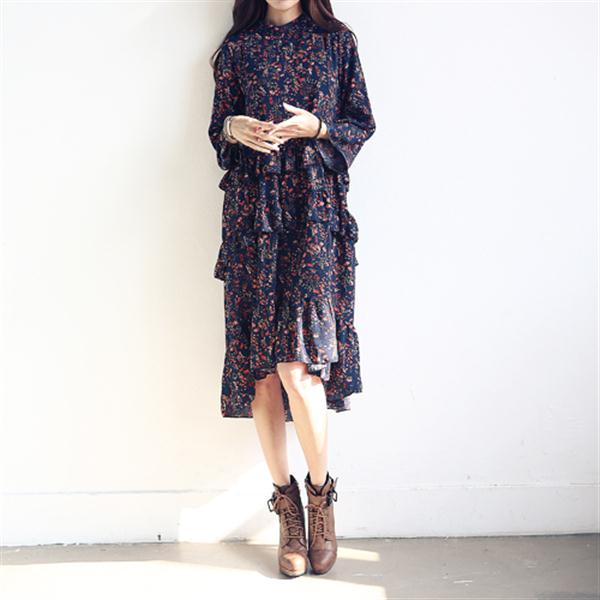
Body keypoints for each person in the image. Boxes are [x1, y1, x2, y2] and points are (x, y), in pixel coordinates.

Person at [208, 0, 376, 577]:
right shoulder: (237, 50)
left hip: (313, 214)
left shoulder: (337, 42)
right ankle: (287, 511)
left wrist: (318, 127)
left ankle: (321, 497)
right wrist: (233, 127)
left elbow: (361, 122)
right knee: (262, 373)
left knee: (298, 369)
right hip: (252, 213)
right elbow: (219, 132)